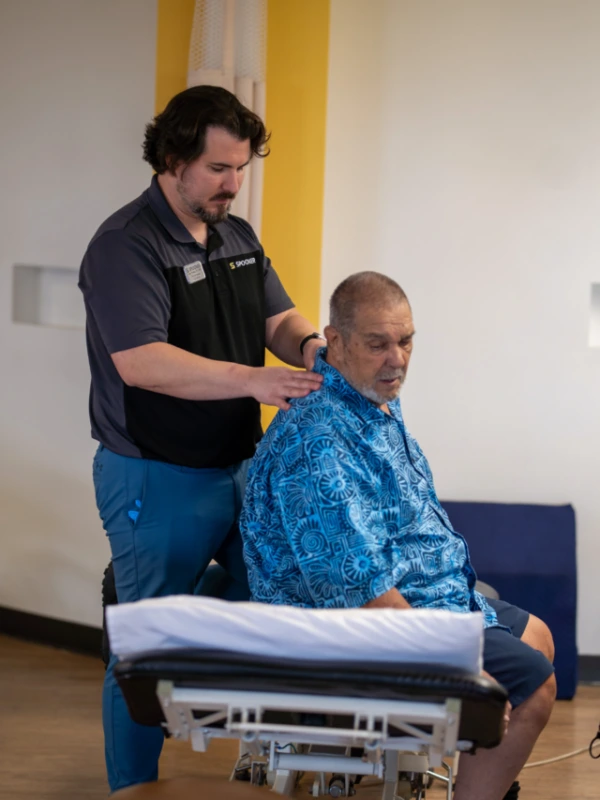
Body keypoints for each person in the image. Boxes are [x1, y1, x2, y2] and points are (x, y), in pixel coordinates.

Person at [78, 85, 324, 793]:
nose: (234, 184)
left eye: (242, 168)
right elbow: (142, 361)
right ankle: (133, 784)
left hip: (236, 470)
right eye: (220, 169)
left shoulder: (237, 235)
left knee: (273, 589)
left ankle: (194, 612)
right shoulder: (126, 245)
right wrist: (254, 381)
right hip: (156, 478)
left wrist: (311, 348)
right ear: (174, 159)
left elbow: (276, 316)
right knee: (143, 648)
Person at [239, 271, 556, 800]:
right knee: (533, 684)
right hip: (349, 631)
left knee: (537, 638)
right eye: (378, 344)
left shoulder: (371, 398)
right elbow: (358, 591)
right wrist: (457, 670)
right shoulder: (317, 440)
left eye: (406, 341)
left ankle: (481, 778)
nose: (398, 359)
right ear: (334, 341)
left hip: (426, 597)